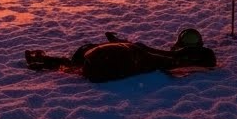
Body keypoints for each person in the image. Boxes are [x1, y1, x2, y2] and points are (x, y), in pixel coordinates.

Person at [24, 29, 216, 82]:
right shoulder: (160, 58)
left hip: (98, 56)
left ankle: (45, 61)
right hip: (103, 61)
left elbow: (206, 59)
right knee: (78, 65)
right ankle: (46, 62)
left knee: (76, 63)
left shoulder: (153, 56)